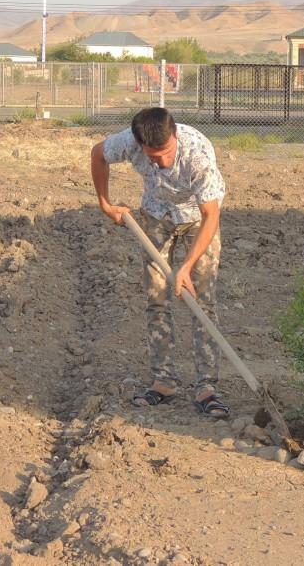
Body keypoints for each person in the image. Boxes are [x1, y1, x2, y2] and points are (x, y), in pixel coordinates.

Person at [89, 107, 229, 417]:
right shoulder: (128, 142)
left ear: (175, 135)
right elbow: (98, 153)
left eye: (165, 154)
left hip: (197, 220)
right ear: (140, 146)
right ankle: (164, 380)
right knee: (157, 299)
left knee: (202, 299)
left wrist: (187, 266)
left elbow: (211, 215)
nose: (162, 162)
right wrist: (105, 203)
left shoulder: (197, 155)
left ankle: (206, 386)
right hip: (155, 215)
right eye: (153, 158)